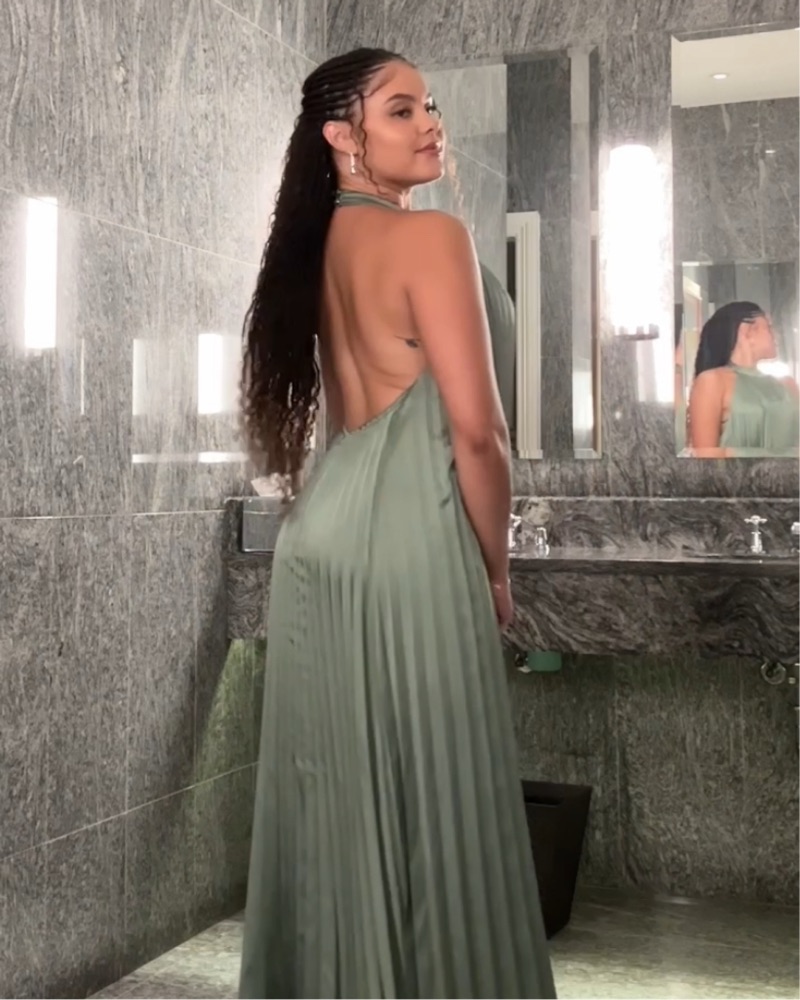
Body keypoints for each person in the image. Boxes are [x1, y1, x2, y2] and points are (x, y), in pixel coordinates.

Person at [237, 47, 556, 999]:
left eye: (430, 106)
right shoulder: (431, 239)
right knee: (443, 791)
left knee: (334, 792)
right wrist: (494, 569)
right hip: (412, 535)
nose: (430, 124)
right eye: (401, 110)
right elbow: (480, 433)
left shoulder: (316, 250)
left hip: (321, 538)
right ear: (343, 136)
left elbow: (348, 415)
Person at [687, 300, 799, 457]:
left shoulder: (788, 384)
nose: (777, 335)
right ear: (747, 331)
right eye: (769, 327)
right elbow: (704, 458)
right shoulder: (712, 382)